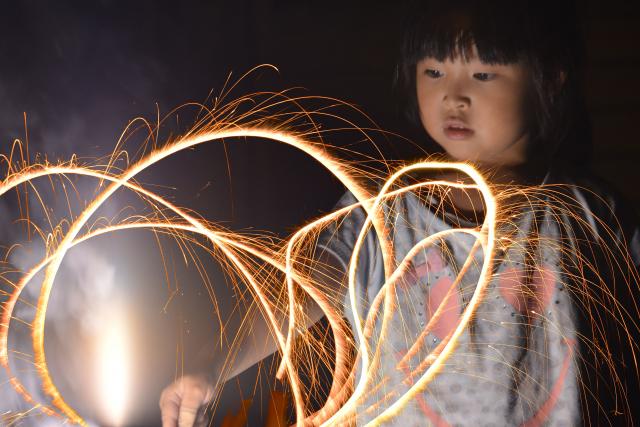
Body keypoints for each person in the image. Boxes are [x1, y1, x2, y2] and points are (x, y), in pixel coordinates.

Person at [160, 1, 640, 425]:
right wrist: (213, 364)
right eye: (434, 71)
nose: (454, 95)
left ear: (550, 79)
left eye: (483, 74)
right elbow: (299, 291)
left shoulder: (592, 216)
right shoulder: (382, 215)